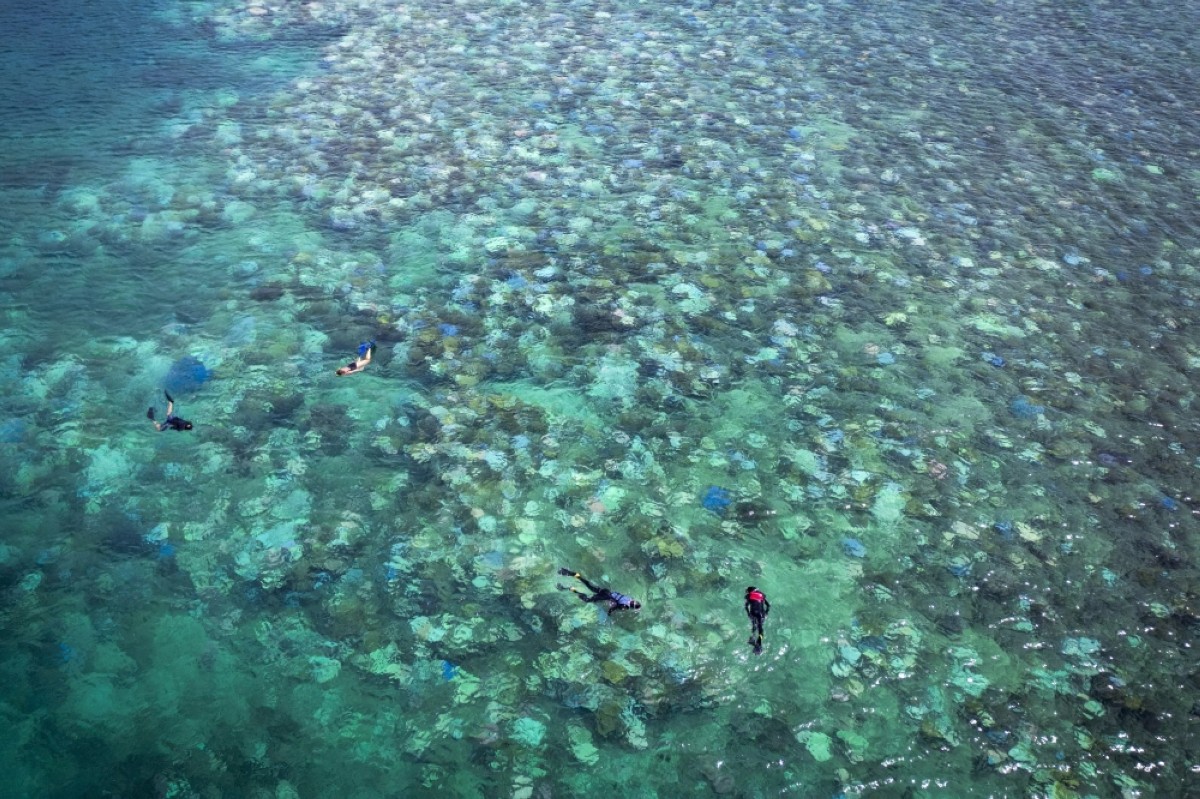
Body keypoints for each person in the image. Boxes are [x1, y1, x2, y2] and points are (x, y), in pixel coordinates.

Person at [557, 568, 641, 615]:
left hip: (606, 591)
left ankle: (570, 573)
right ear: (632, 607)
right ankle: (571, 589)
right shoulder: (625, 606)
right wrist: (609, 613)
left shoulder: (630, 598)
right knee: (587, 600)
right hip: (605, 597)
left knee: (587, 584)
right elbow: (613, 608)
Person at [745, 586, 770, 655]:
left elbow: (746, 606)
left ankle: (754, 640)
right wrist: (766, 613)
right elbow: (768, 606)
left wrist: (748, 613)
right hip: (761, 614)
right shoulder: (762, 595)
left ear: (749, 592)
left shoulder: (748, 596)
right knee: (760, 630)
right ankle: (757, 644)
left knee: (754, 625)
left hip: (753, 613)